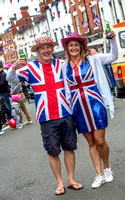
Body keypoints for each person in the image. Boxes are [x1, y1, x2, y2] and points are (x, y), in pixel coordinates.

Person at [6, 36, 83, 195]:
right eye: (43, 48)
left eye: (48, 47)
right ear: (38, 51)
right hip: (47, 118)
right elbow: (10, 78)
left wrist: (90, 53)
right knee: (53, 151)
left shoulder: (61, 64)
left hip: (66, 113)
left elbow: (78, 63)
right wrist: (13, 67)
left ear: (52, 49)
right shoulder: (30, 68)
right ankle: (60, 182)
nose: (46, 50)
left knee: (69, 148)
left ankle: (71, 179)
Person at [61, 30, 118, 189]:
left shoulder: (93, 59)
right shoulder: (63, 66)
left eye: (76, 45)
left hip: (95, 104)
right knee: (91, 142)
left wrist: (113, 40)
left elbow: (113, 57)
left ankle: (107, 168)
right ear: (67, 49)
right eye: (70, 45)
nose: (73, 48)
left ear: (81, 47)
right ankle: (99, 174)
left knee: (100, 141)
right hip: (78, 108)